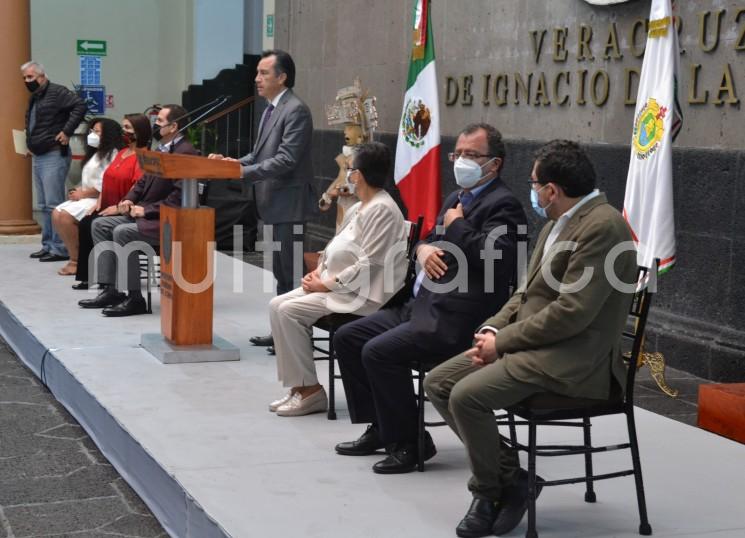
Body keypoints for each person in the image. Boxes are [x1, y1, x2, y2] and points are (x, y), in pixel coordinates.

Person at [424, 140, 638, 538]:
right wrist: (493, 328)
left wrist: (502, 344)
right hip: (537, 345)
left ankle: (488, 492)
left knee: (465, 396)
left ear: (552, 190)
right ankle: (513, 478)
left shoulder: (603, 226)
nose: (532, 191)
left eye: (534, 183)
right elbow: (525, 294)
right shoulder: (560, 221)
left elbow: (571, 313)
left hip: (573, 359)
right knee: (438, 382)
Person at [332, 124, 527, 474]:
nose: (461, 161)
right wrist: (421, 250)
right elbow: (428, 241)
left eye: (472, 155)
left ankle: (410, 443)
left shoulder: (504, 205)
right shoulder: (456, 198)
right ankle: (382, 427)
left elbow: (498, 260)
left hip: (455, 317)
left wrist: (457, 227)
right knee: (348, 337)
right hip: (420, 305)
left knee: (378, 352)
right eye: (458, 154)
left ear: (494, 164)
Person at [268, 142, 407, 417]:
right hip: (338, 287)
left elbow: (371, 263)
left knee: (289, 311)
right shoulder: (359, 207)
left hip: (363, 295)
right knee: (276, 304)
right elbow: (336, 247)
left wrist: (326, 284)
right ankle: (299, 386)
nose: (347, 175)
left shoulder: (382, 209)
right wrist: (319, 271)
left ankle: (311, 393)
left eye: (350, 169)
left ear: (360, 175)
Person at [209, 49, 317, 349]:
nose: (257, 79)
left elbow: (285, 159)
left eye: (264, 73)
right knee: (281, 273)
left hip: (289, 204)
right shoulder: (270, 108)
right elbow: (258, 155)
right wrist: (229, 164)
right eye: (257, 73)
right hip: (270, 203)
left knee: (293, 274)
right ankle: (282, 331)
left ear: (282, 77)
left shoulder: (296, 110)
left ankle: (297, 339)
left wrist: (242, 173)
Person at [79, 105, 198, 316]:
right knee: (100, 224)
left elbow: (180, 197)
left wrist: (146, 210)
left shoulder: (185, 152)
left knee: (123, 232)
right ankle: (110, 289)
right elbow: (142, 183)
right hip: (148, 214)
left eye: (159, 121)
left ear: (174, 126)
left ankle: (135, 298)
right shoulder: (161, 149)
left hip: (167, 220)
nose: (155, 124)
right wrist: (127, 200)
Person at [73, 114, 150, 290]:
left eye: (129, 128)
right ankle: (91, 276)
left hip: (124, 208)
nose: (124, 131)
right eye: (123, 127)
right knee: (86, 222)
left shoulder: (143, 157)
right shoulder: (122, 153)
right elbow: (106, 179)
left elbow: (137, 189)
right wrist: (98, 201)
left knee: (93, 224)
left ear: (140, 132)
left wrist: (117, 208)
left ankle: (105, 278)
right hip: (107, 203)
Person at [21, 61, 87, 262]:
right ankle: (48, 245)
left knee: (53, 204)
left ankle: (60, 248)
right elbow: (35, 125)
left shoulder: (57, 92)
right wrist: (29, 145)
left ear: (42, 76)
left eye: (30, 77)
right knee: (43, 204)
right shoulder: (36, 97)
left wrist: (67, 131)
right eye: (24, 78)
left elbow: (80, 105)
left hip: (53, 153)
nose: (27, 81)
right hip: (39, 154)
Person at [52, 117, 123, 276]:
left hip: (99, 199)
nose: (92, 135)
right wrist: (78, 190)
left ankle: (77, 261)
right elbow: (89, 179)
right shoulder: (95, 153)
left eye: (97, 132)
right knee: (56, 213)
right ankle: (73, 256)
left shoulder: (113, 154)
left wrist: (82, 193)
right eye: (91, 131)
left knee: (65, 216)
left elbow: (105, 184)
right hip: (86, 196)